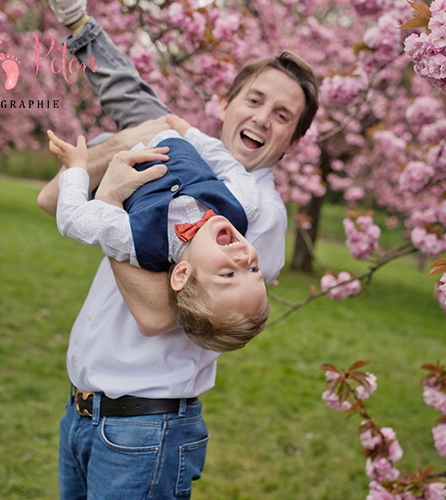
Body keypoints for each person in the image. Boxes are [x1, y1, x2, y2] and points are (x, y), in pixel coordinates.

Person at [37, 1, 319, 498]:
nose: (262, 119)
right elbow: (55, 191)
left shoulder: (256, 213)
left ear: (292, 141)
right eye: (254, 100)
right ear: (225, 105)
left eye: (282, 116)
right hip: (85, 411)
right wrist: (81, 28)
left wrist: (110, 202)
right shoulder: (184, 158)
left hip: (144, 430)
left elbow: (157, 314)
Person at [47, 118, 270, 352]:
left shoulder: (138, 240)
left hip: (124, 144)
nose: (244, 260)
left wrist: (78, 167)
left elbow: (71, 219)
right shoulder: (242, 204)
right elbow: (230, 166)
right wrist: (191, 132)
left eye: (228, 274)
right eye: (254, 269)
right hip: (170, 124)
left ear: (183, 273)